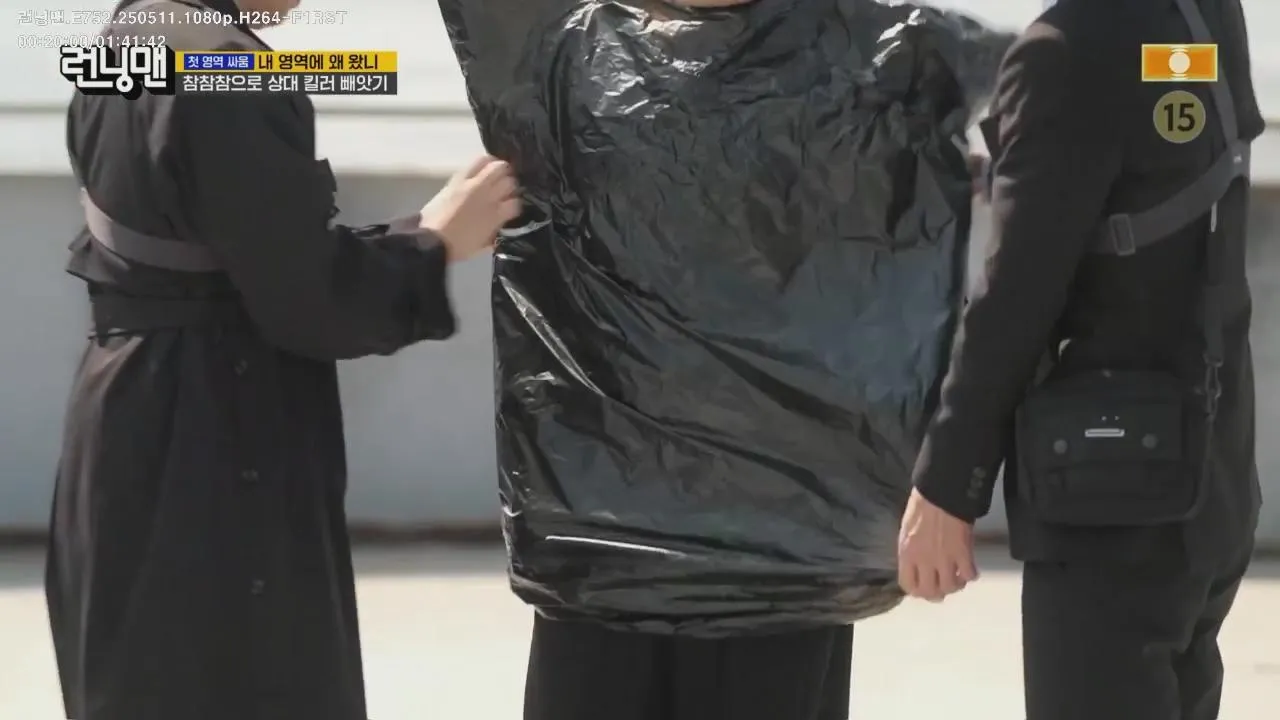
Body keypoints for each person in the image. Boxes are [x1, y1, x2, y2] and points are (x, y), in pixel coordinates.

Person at [44, 1, 521, 719]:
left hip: (125, 414)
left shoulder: (129, 33)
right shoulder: (230, 67)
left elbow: (220, 254)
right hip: (215, 433)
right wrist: (435, 244)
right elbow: (308, 301)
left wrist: (413, 235)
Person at [897, 0, 1261, 718]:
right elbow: (1159, 143)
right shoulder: (1201, 16)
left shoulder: (1065, 52)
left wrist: (947, 486)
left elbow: (1015, 297)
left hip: (1109, 494)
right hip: (1210, 479)